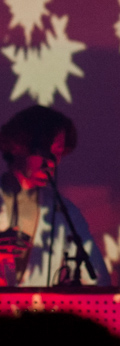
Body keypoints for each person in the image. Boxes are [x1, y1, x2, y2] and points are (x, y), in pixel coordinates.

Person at [0, 105, 110, 286]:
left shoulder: (65, 212)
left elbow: (99, 280)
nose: (51, 161)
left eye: (57, 152)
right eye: (43, 149)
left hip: (37, 313)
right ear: (16, 146)